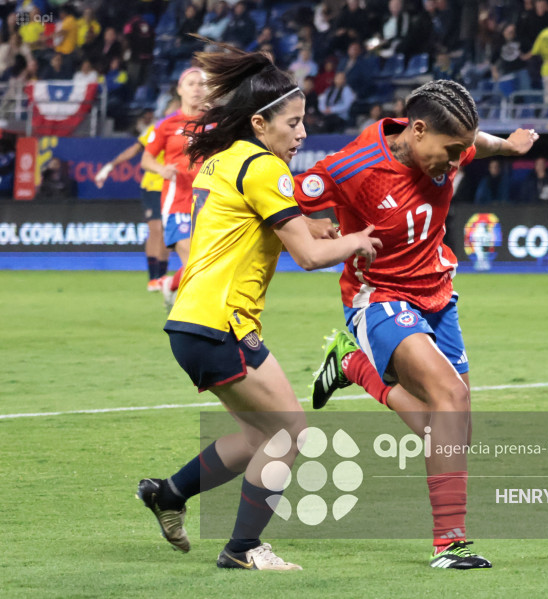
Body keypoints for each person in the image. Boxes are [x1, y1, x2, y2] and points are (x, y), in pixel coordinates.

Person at [137, 44, 381, 571]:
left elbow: (255, 225)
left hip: (193, 320)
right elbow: (312, 256)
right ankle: (243, 548)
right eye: (292, 123)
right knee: (291, 433)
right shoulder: (264, 168)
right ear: (259, 122)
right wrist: (355, 239)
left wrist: (312, 225)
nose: (301, 134)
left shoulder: (228, 158)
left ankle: (170, 494)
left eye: (303, 123)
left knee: (257, 436)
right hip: (222, 323)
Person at [293, 80, 538, 569]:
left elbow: (478, 145)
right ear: (417, 129)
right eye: (450, 152)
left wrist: (506, 146)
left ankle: (352, 366)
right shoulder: (353, 166)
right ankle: (450, 544)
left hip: (438, 295)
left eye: (461, 151)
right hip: (377, 297)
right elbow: (282, 198)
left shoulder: (445, 147)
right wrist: (310, 226)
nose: (455, 162)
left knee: (451, 430)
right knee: (452, 398)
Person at [95, 98, 180, 292]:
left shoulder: (188, 130)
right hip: (152, 186)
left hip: (173, 188)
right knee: (156, 229)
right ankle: (153, 278)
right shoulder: (156, 129)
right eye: (172, 109)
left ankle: (161, 276)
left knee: (167, 234)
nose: (175, 112)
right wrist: (110, 166)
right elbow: (135, 150)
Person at [141, 66, 206, 310]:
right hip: (178, 201)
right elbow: (146, 159)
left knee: (206, 261)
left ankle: (171, 284)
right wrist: (161, 169)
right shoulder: (167, 124)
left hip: (210, 201)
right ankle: (196, 321)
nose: (197, 88)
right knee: (194, 261)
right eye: (191, 83)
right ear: (180, 90)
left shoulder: (216, 123)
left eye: (201, 83)